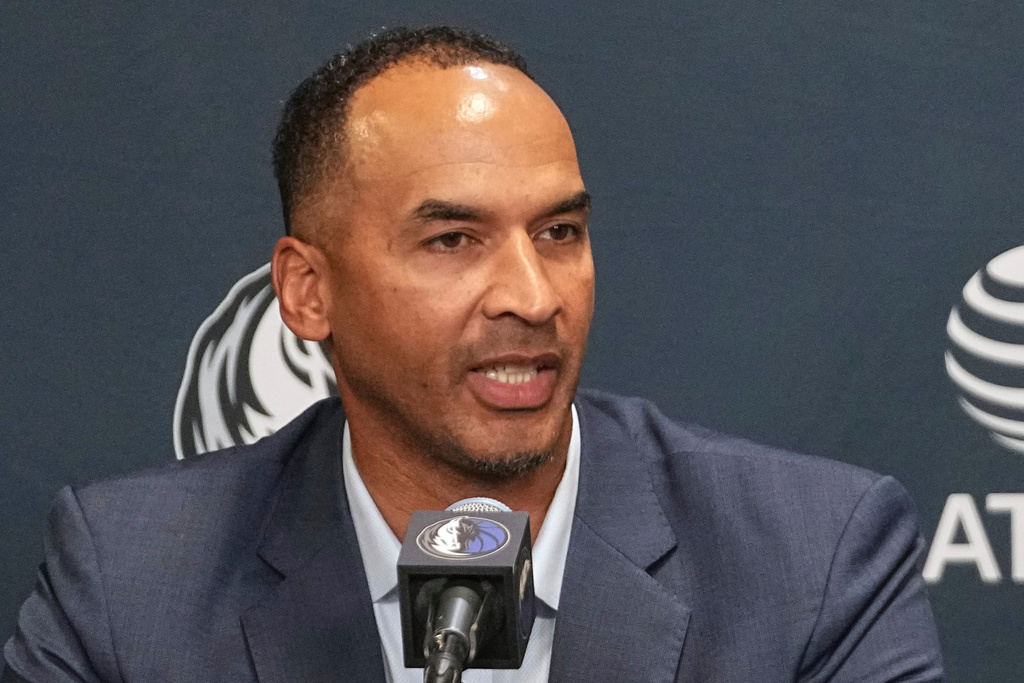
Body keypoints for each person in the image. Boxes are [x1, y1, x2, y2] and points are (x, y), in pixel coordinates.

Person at [2, 26, 943, 682]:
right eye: (452, 240)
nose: (532, 297)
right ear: (306, 291)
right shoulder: (129, 582)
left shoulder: (813, 558)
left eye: (561, 232)